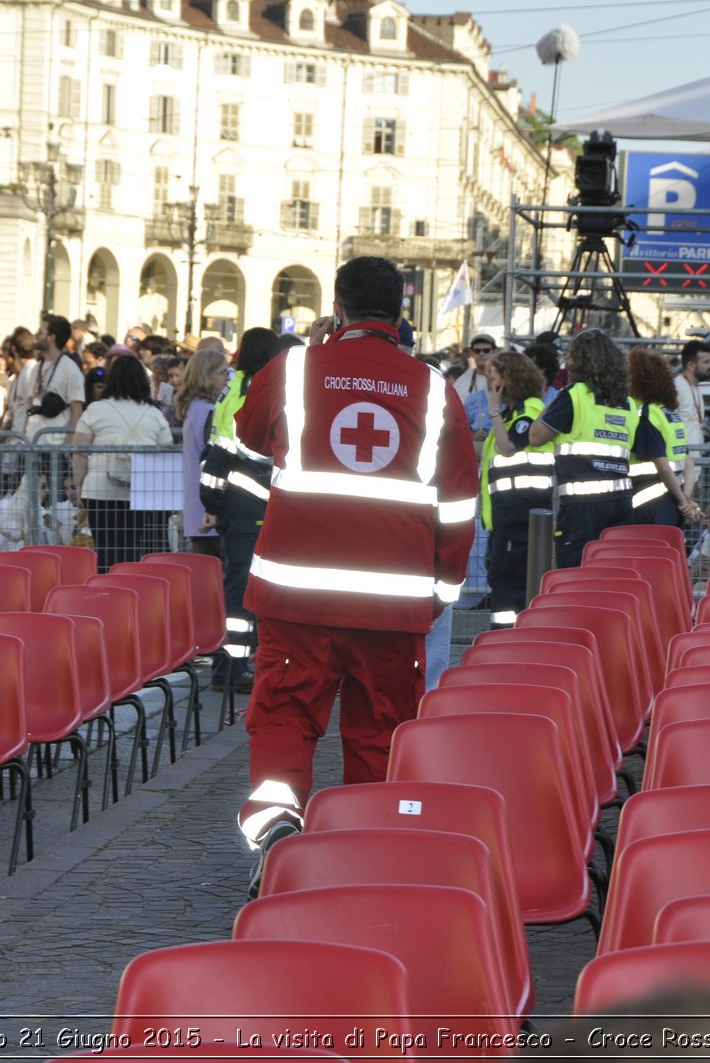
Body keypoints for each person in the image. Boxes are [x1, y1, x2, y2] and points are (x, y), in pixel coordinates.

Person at [233, 255, 478, 892]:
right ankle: (365, 862)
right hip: (392, 606)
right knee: (379, 728)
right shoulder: (433, 388)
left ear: (336, 308)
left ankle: (277, 834)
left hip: (297, 594)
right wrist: (440, 593)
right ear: (402, 313)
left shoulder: (291, 370)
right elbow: (457, 505)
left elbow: (250, 435)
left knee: (284, 718)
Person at [201, 328, 280, 691]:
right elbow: (247, 451)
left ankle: (233, 666)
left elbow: (215, 454)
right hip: (251, 502)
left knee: (239, 587)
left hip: (236, 503)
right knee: (241, 591)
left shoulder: (234, 388)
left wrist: (213, 504)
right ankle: (231, 670)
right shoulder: (254, 392)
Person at [528, 330, 640, 568]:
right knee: (611, 571)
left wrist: (546, 403)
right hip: (621, 500)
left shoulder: (574, 394)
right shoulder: (627, 403)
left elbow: (536, 436)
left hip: (583, 505)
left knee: (576, 571)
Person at [71, 355, 172, 570]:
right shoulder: (154, 414)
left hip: (99, 489)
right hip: (142, 490)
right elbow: (166, 450)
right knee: (134, 547)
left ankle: (107, 591)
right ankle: (132, 590)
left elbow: (79, 451)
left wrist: (79, 485)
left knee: (106, 547)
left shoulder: (95, 410)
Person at [479, 350, 552, 628]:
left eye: (493, 378)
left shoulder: (528, 410)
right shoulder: (515, 412)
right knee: (503, 588)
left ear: (508, 380)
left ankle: (506, 643)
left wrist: (494, 409)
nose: (489, 386)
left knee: (509, 592)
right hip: (506, 519)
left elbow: (507, 448)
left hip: (519, 521)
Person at [626, 346, 701, 528]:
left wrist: (684, 503)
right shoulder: (670, 415)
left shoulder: (645, 416)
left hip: (649, 507)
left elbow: (663, 468)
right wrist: (686, 500)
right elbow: (688, 463)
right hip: (672, 504)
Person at [176, 347, 228, 557]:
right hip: (210, 512)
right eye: (222, 373)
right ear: (206, 376)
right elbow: (215, 459)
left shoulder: (193, 408)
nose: (227, 378)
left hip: (197, 510)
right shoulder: (209, 411)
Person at [19, 315, 84, 441]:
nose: (36, 335)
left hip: (55, 448)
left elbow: (77, 410)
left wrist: (68, 445)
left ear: (51, 337)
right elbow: (30, 403)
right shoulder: (36, 368)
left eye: (40, 332)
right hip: (32, 443)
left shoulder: (70, 369)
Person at [675, 339, 710, 500]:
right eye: (706, 362)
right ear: (691, 365)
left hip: (692, 470)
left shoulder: (695, 388)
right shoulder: (677, 387)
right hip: (679, 471)